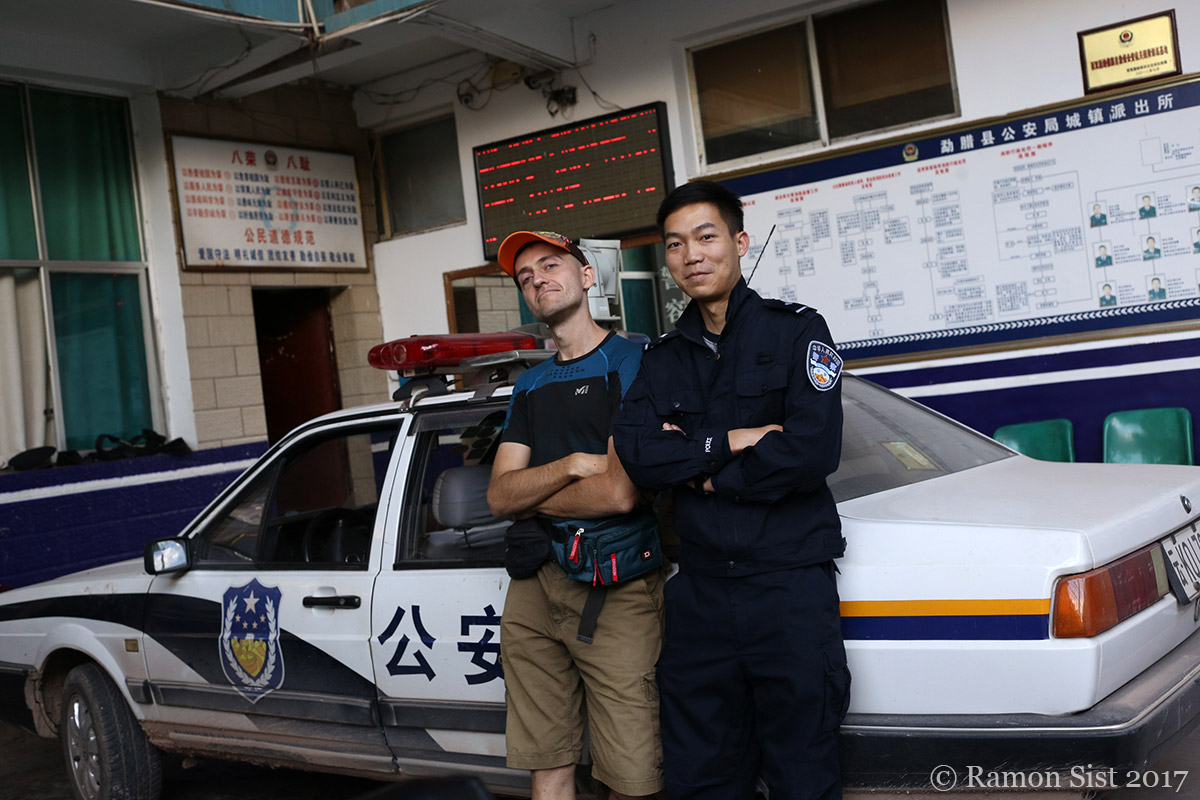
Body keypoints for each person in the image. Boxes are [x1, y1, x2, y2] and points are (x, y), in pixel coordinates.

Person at [614, 181, 848, 800]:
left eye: (706, 236)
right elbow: (639, 456)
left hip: (788, 587)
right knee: (700, 779)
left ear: (739, 243)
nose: (691, 254)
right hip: (701, 595)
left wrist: (698, 470)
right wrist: (732, 443)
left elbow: (810, 450)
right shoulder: (661, 359)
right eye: (674, 245)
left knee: (804, 774)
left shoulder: (795, 332)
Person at [487, 231, 664, 800]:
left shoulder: (635, 362)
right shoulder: (530, 385)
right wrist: (572, 464)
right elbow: (497, 497)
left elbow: (618, 495)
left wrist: (530, 492)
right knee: (548, 763)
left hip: (617, 585)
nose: (537, 279)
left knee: (631, 777)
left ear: (587, 276)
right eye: (524, 277)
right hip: (535, 585)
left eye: (550, 264)